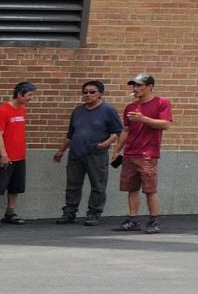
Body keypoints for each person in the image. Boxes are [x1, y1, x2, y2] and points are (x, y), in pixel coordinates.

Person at [54, 80, 123, 225]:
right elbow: (70, 134)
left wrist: (105, 144)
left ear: (100, 94)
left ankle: (94, 213)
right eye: (85, 92)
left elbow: (117, 131)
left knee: (98, 185)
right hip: (76, 153)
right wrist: (61, 151)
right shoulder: (78, 111)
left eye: (92, 92)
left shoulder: (107, 110)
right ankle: (69, 213)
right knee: (72, 185)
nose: (87, 95)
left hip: (96, 153)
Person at [116, 73, 175, 234]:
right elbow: (126, 130)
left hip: (148, 154)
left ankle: (153, 220)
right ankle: (133, 220)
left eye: (139, 85)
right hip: (130, 154)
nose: (135, 88)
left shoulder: (162, 102)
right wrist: (116, 150)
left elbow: (165, 124)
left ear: (150, 87)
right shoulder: (130, 107)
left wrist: (143, 119)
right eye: (134, 85)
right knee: (131, 188)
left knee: (150, 189)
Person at [0, 81, 34, 226]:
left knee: (16, 186)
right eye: (29, 95)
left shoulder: (22, 109)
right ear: (19, 94)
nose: (31, 98)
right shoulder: (3, 110)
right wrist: (3, 154)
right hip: (3, 155)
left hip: (19, 155)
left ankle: (10, 212)